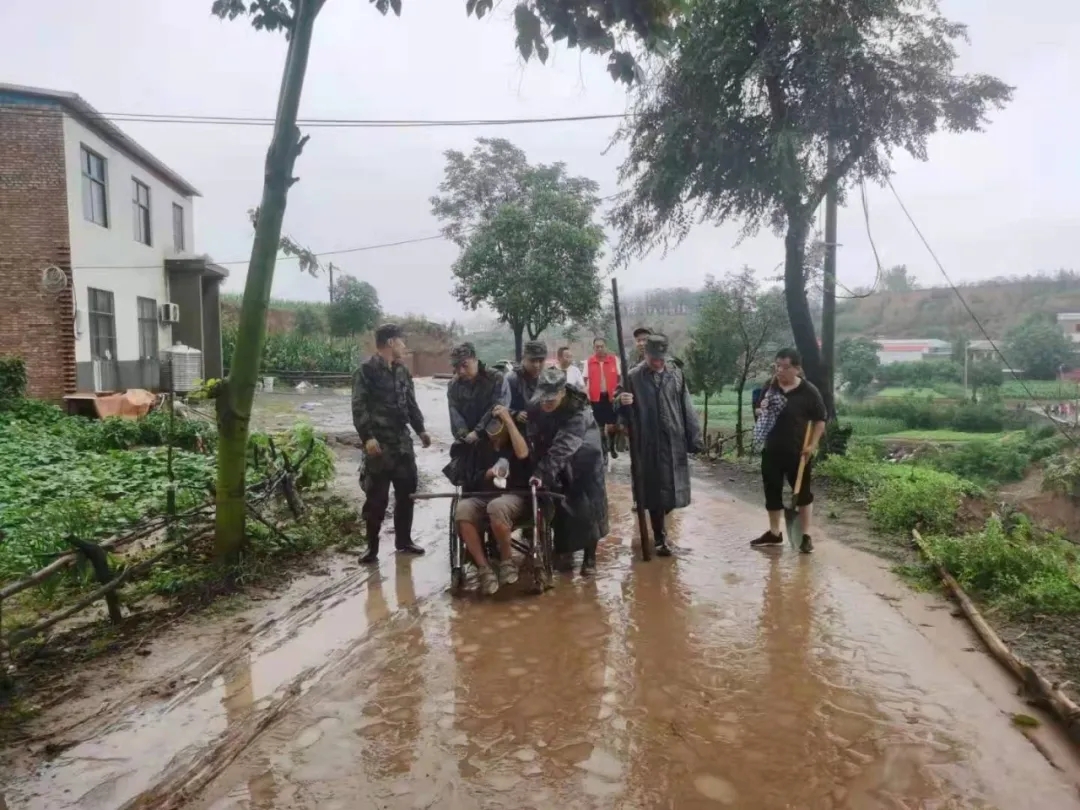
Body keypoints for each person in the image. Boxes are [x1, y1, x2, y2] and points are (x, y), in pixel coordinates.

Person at [352, 323, 431, 564]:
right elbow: (359, 406)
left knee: (407, 494)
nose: (404, 346)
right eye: (401, 341)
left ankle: (404, 541)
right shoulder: (366, 371)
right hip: (379, 445)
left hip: (402, 444)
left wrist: (420, 430)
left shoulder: (402, 371)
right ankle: (372, 548)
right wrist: (367, 437)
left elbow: (411, 403)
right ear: (390, 343)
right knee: (376, 500)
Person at [617, 334, 702, 557]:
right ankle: (660, 538)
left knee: (672, 492)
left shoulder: (675, 374)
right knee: (654, 490)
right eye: (654, 358)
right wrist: (622, 401)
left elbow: (686, 405)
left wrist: (694, 436)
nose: (658, 363)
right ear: (646, 355)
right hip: (647, 441)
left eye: (661, 359)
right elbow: (617, 402)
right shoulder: (634, 376)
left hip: (673, 438)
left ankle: (660, 528)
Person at [527, 367, 608, 576]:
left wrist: (542, 471)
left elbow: (564, 446)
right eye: (543, 398)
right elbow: (532, 433)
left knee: (588, 507)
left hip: (585, 457)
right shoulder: (536, 405)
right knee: (559, 504)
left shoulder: (579, 411)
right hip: (553, 454)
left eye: (551, 399)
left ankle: (590, 557)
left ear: (562, 392)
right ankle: (565, 550)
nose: (546, 403)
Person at [750, 348, 827, 554]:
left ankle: (805, 536)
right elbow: (758, 410)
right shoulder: (770, 386)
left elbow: (820, 420)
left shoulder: (809, 391)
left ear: (797, 369)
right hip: (772, 449)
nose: (780, 371)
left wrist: (812, 445)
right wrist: (762, 409)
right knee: (772, 492)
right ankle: (775, 533)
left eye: (785, 367)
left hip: (798, 453)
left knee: (803, 495)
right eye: (777, 366)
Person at [454, 404, 532, 595]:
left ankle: (507, 561)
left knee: (497, 506)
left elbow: (523, 454)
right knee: (462, 509)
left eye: (499, 433)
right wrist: (488, 473)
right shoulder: (480, 445)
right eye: (491, 433)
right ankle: (483, 568)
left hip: (514, 495)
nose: (494, 438)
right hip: (483, 495)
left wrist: (509, 421)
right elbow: (469, 477)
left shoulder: (517, 440)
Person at [447, 342, 510, 443]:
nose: (461, 371)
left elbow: (497, 409)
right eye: (456, 367)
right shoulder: (453, 385)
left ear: (475, 360)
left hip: (493, 439)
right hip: (466, 441)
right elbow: (455, 415)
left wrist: (478, 432)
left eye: (465, 365)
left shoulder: (496, 378)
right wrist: (463, 435)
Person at [584, 337, 621, 461]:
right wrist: (587, 393)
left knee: (612, 425)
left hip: (611, 397)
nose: (599, 349)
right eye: (597, 347)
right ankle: (604, 450)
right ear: (594, 348)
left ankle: (612, 445)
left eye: (602, 346)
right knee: (599, 426)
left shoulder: (614, 359)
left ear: (606, 346)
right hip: (596, 397)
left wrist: (618, 392)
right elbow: (585, 379)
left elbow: (619, 377)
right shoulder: (589, 361)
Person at [506, 341, 548, 422]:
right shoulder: (512, 378)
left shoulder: (546, 378)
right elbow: (498, 405)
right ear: (524, 359)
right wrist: (515, 413)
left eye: (541, 360)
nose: (536, 365)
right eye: (532, 361)